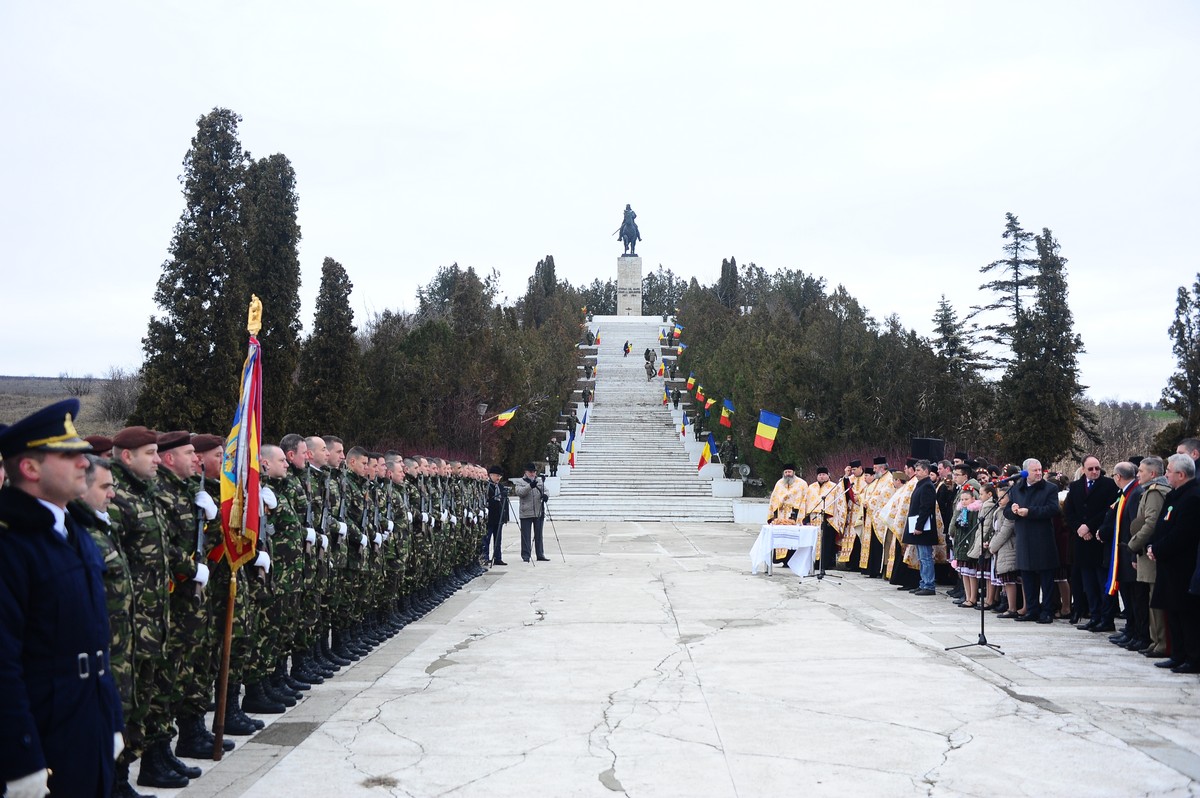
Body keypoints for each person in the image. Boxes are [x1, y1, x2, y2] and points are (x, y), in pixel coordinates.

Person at [0, 399, 124, 798]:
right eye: (68, 455)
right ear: (30, 468)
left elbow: (95, 640)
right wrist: (21, 757)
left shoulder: (73, 530)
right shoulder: (12, 543)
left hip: (88, 721)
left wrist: (111, 719)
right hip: (43, 732)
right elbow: (3, 663)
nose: (84, 463)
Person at [1148, 454, 1200, 673]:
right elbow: (1162, 525)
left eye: (1169, 471)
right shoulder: (1174, 495)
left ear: (1181, 474)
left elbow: (1183, 534)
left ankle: (1193, 657)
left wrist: (1158, 549)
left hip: (1183, 566)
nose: (1166, 474)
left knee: (1186, 614)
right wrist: (1152, 546)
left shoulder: (1193, 497)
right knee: (1172, 612)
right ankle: (1177, 654)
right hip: (1168, 563)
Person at [1064, 456, 1119, 630]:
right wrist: (1079, 528)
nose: (1095, 472)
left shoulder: (1109, 485)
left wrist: (1089, 526)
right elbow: (1069, 511)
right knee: (1088, 583)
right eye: (1091, 469)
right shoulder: (1075, 486)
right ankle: (1094, 616)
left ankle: (1106, 618)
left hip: (1099, 539)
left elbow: (1109, 510)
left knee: (1102, 582)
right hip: (1082, 541)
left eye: (1097, 468)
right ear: (1083, 469)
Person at [1006, 458, 1061, 624]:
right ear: (1025, 473)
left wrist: (1030, 512)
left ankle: (1048, 611)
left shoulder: (1050, 488)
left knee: (1046, 578)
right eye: (1034, 470)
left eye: (1040, 470)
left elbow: (1053, 509)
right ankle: (1032, 609)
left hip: (1043, 538)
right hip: (1024, 538)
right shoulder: (1017, 488)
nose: (1038, 473)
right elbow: (1007, 511)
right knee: (1027, 577)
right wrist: (1013, 510)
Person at [1128, 456, 1171, 658]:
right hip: (1147, 552)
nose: (1138, 474)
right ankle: (1156, 641)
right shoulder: (1150, 490)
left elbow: (1151, 523)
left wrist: (1133, 544)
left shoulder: (1154, 492)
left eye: (1141, 471)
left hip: (1150, 552)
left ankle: (1161, 643)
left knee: (1156, 601)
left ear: (1152, 474)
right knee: (1152, 600)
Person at [904, 460, 938, 596]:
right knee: (921, 557)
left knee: (926, 557)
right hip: (919, 526)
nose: (916, 473)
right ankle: (923, 583)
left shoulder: (927, 486)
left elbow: (925, 508)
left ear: (926, 471)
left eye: (918, 470)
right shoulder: (921, 484)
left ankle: (929, 585)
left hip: (924, 528)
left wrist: (919, 526)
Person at [514, 463, 549, 562]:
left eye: (534, 472)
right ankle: (526, 555)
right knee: (526, 536)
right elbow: (520, 492)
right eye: (530, 472)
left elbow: (546, 490)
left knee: (539, 535)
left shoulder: (539, 481)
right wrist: (530, 486)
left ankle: (540, 554)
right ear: (526, 472)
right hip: (526, 512)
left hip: (538, 511)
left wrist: (546, 495)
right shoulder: (520, 481)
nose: (533, 473)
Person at [484, 466, 508, 565]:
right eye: (497, 476)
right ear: (491, 475)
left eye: (500, 476)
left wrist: (505, 516)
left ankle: (497, 557)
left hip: (499, 517)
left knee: (498, 539)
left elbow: (505, 503)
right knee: (487, 539)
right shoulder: (487, 486)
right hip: (490, 517)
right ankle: (485, 557)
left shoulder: (501, 487)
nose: (498, 478)